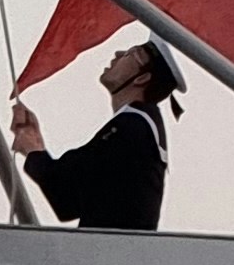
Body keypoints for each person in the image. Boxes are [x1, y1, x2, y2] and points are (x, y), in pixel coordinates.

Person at [12, 38, 182, 228]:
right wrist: (35, 145)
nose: (118, 53)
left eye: (131, 54)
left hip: (111, 253)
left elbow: (63, 190)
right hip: (116, 252)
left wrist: (33, 148)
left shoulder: (133, 126)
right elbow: (68, 199)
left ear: (141, 78)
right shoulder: (141, 124)